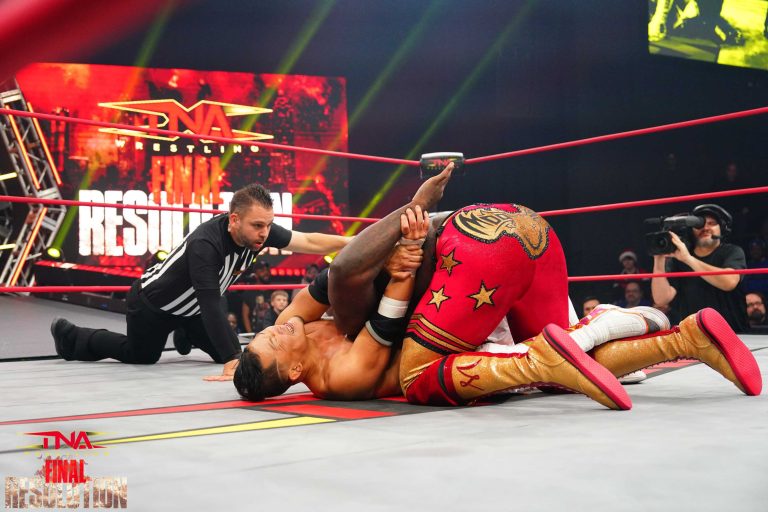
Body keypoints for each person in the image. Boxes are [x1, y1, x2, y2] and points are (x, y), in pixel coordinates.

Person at [234, 166, 761, 405]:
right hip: (523, 233)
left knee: (418, 377)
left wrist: (409, 232)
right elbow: (384, 312)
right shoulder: (342, 375)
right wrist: (402, 266)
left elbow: (344, 271)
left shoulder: (298, 322)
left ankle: (574, 342)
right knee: (559, 363)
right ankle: (688, 339)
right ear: (295, 372)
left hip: (474, 256)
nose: (273, 330)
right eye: (270, 343)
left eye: (262, 334)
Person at [49, 183, 352, 379]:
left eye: (268, 225)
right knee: (142, 356)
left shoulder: (260, 233)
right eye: (258, 225)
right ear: (234, 220)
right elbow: (210, 303)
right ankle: (72, 337)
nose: (264, 233)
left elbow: (309, 241)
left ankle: (186, 333)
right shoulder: (206, 244)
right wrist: (233, 358)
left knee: (226, 354)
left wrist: (353, 243)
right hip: (152, 306)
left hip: (192, 311)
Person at [651, 204, 749, 332]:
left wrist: (688, 259)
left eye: (711, 223)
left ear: (722, 228)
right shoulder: (679, 259)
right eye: (699, 224)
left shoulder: (732, 251)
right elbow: (661, 299)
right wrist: (658, 259)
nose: (705, 228)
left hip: (731, 333)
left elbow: (729, 282)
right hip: (693, 336)